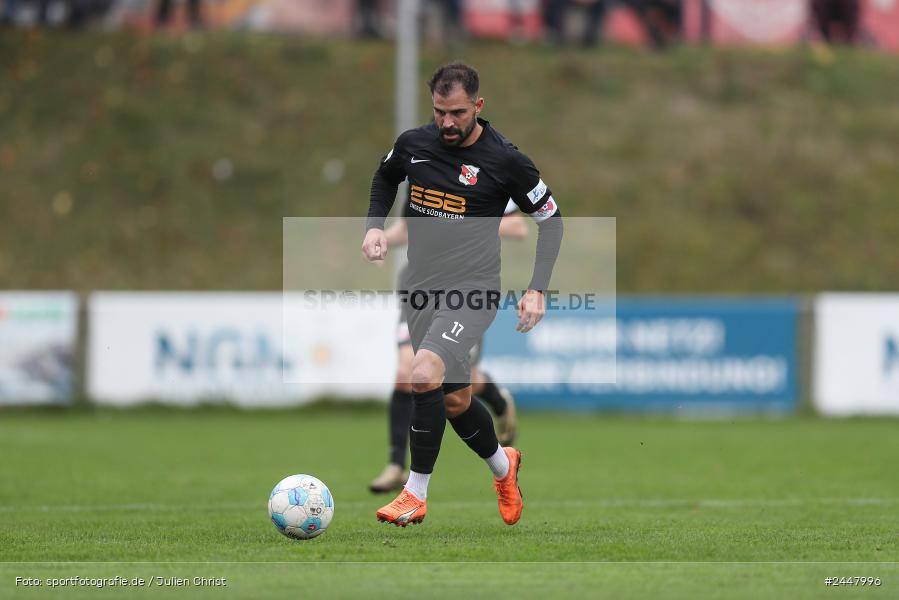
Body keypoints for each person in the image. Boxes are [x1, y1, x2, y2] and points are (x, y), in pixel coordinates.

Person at [362, 62, 563, 527]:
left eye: (456, 113)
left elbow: (551, 220)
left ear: (478, 105)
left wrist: (537, 289)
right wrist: (374, 228)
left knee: (423, 370)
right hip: (419, 289)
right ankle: (503, 466)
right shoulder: (414, 144)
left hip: (472, 290)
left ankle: (414, 493)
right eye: (439, 112)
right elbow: (384, 178)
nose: (447, 123)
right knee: (453, 399)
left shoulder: (506, 160)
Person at [368, 200, 527, 494]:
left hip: (464, 292)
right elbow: (407, 227)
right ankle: (395, 465)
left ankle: (496, 398)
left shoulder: (486, 171)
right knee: (408, 370)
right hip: (417, 287)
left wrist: (466, 226)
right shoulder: (423, 170)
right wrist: (380, 239)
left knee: (458, 388)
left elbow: (518, 227)